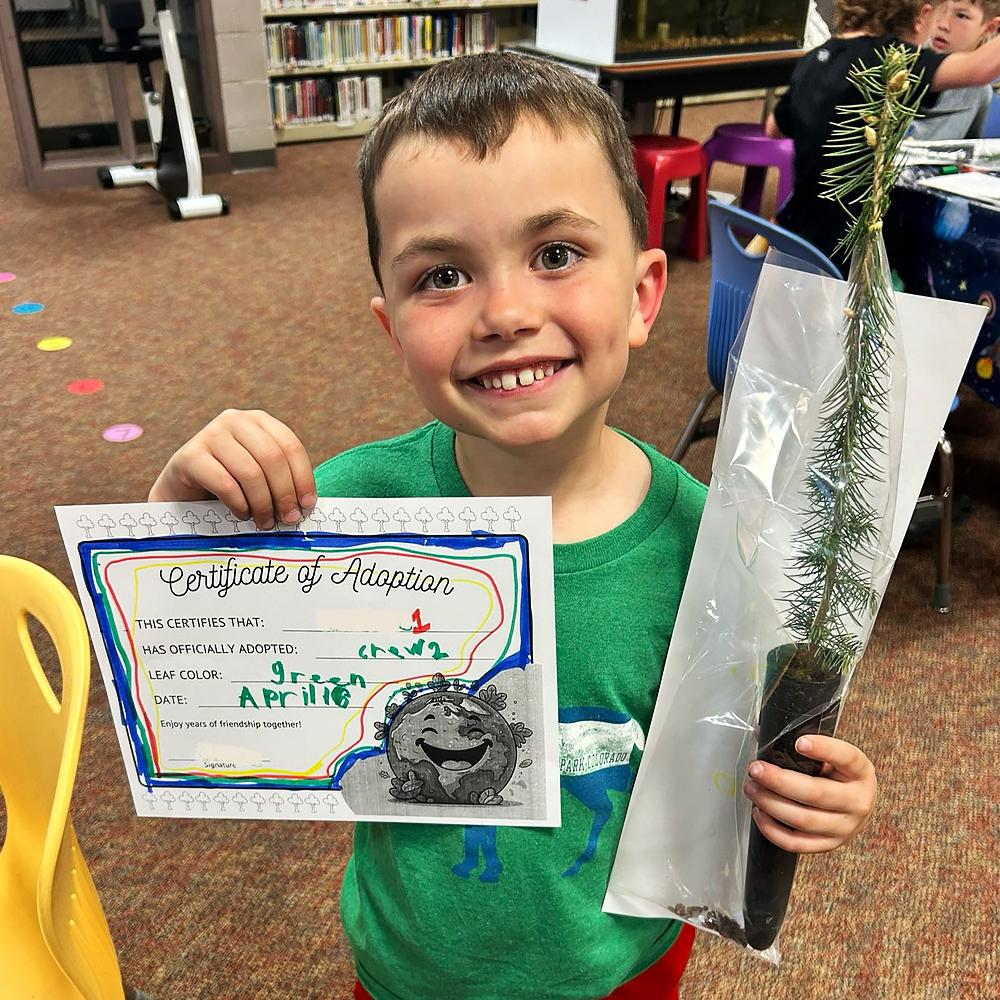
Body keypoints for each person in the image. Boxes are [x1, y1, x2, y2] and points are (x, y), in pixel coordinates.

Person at [149, 53, 879, 1000]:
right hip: (411, 972)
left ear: (643, 296)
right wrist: (180, 512)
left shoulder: (715, 547)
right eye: (443, 275)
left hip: (624, 968)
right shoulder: (345, 508)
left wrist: (817, 791)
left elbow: (743, 755)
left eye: (557, 255)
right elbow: (186, 657)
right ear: (392, 329)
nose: (505, 313)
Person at [767, 0, 1000, 269]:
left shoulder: (816, 57)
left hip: (794, 235)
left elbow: (773, 128)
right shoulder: (891, 60)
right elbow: (980, 69)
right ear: (921, 17)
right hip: (846, 252)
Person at [910, 0, 1000, 140]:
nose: (943, 24)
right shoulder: (902, 60)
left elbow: (968, 150)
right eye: (939, 9)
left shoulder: (980, 92)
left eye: (961, 16)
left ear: (989, 28)